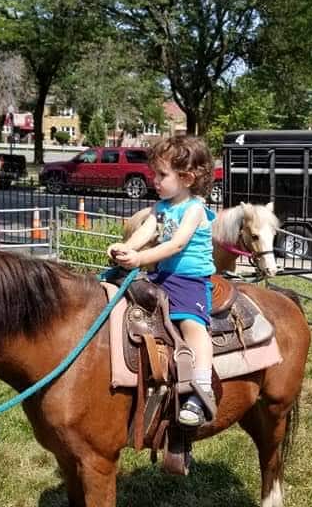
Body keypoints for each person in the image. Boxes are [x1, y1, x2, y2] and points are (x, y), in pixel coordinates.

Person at [107, 136, 217, 427]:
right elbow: (147, 231)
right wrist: (128, 248)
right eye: (154, 172)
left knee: (192, 324)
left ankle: (202, 386)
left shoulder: (193, 209)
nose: (153, 179)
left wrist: (140, 259)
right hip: (163, 276)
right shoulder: (161, 207)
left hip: (190, 280)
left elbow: (176, 245)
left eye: (161, 174)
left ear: (187, 178)